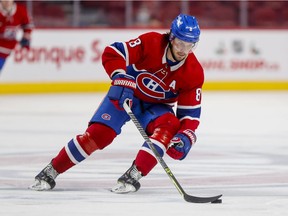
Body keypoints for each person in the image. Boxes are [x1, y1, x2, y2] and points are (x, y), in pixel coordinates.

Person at [29, 13, 203, 194]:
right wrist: (120, 77)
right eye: (180, 43)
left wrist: (184, 136)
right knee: (99, 135)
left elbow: (189, 115)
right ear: (171, 38)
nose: (184, 50)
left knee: (169, 127)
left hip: (156, 107)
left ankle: (134, 175)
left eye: (190, 45)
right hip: (127, 94)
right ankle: (52, 169)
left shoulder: (194, 72)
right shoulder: (151, 42)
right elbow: (114, 52)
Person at [0, 0, 33, 74]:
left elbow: (28, 25)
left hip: (5, 49)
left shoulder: (20, 10)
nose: (7, 1)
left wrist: (26, 36)